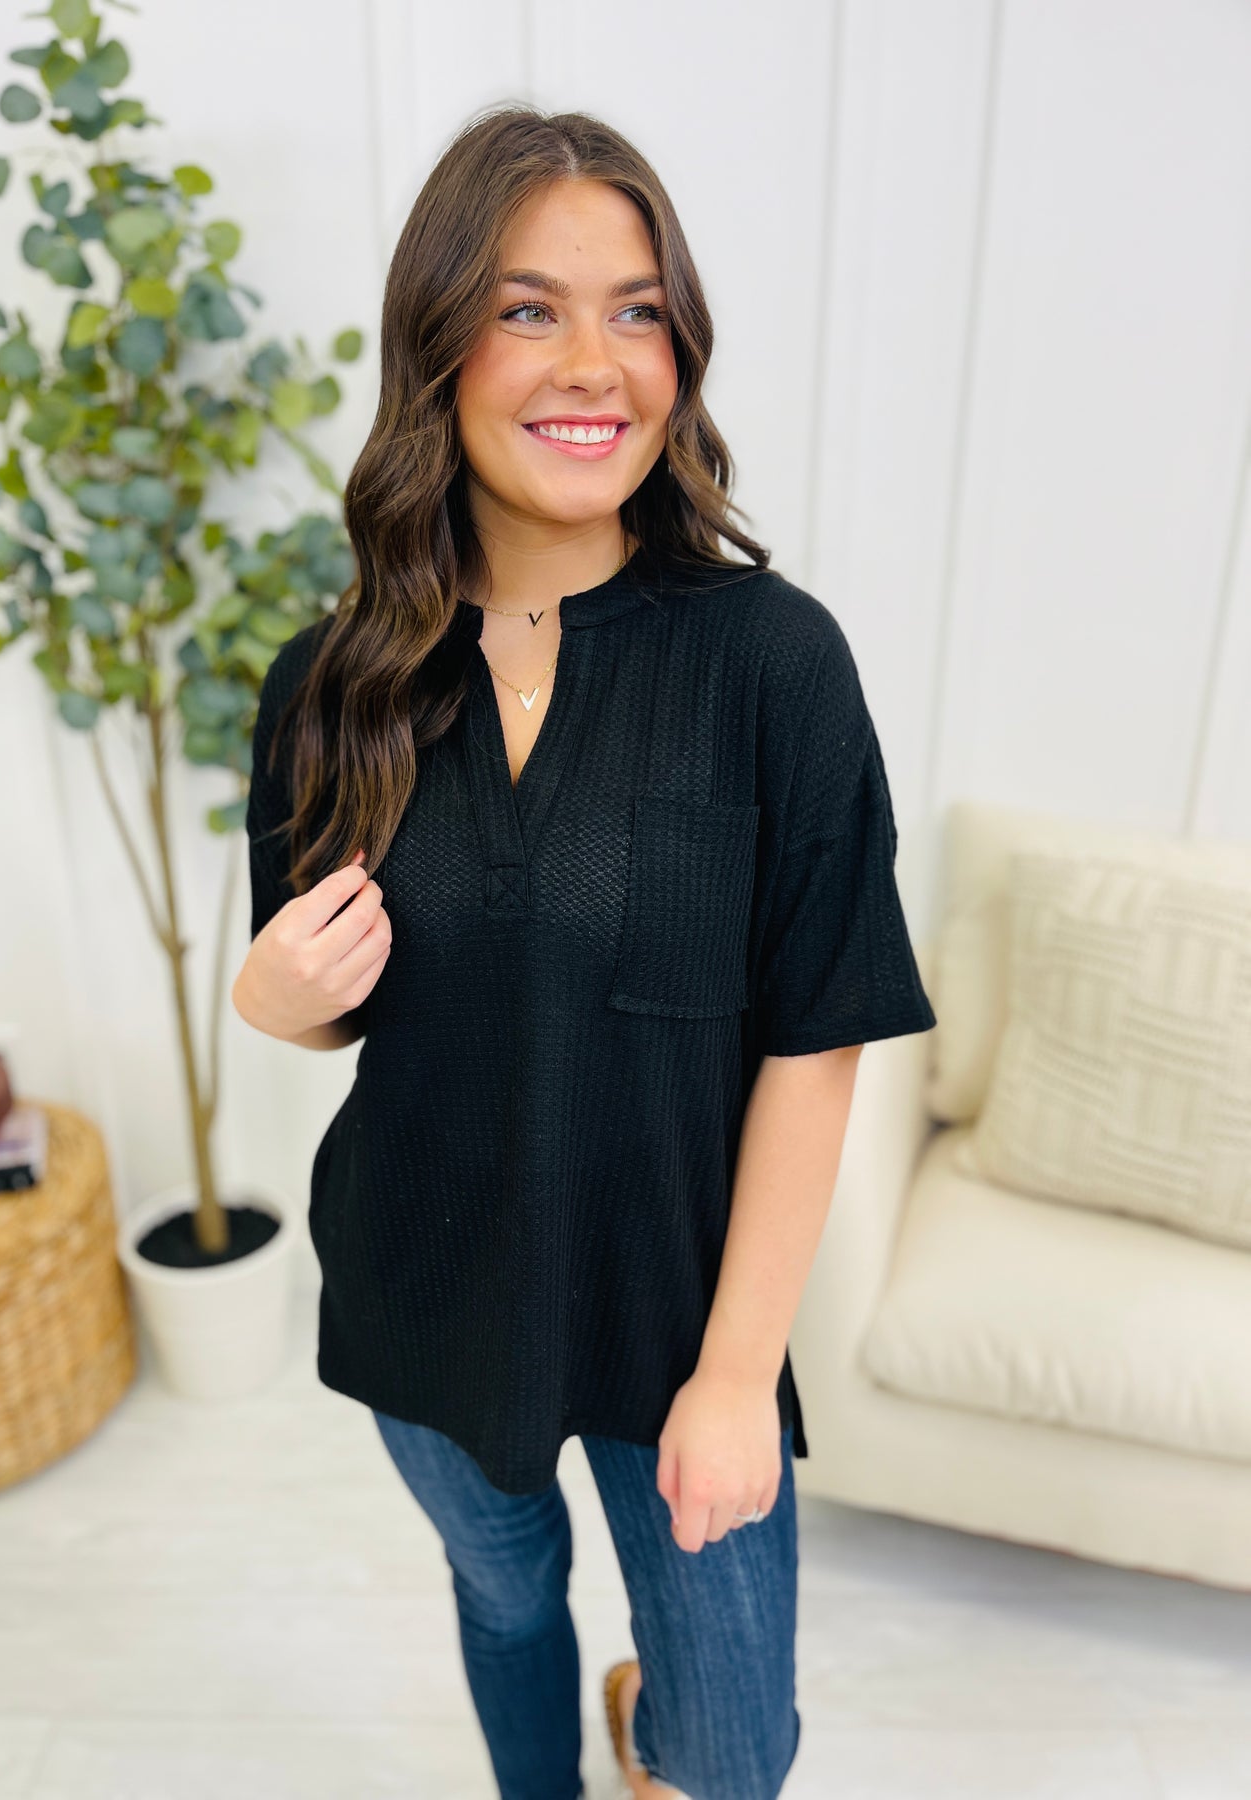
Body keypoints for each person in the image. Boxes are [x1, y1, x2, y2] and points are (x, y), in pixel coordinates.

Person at [232, 104, 936, 1800]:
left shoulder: (772, 664)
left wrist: (736, 1375)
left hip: (682, 1309)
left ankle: (648, 1729)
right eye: (527, 308)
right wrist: (269, 998)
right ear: (438, 344)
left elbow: (816, 1039)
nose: (593, 363)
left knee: (730, 1748)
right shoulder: (333, 683)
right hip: (428, 1280)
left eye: (637, 311)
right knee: (503, 1595)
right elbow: (331, 1000)